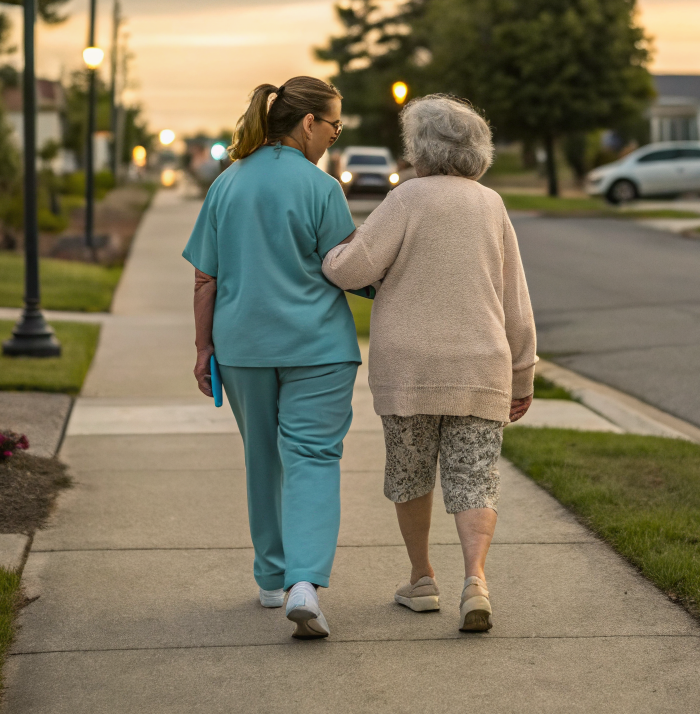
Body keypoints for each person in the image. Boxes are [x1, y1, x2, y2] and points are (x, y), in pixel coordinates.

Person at [321, 94, 536, 633]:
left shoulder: (407, 200)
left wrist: (329, 256)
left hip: (409, 369)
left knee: (411, 472)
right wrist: (523, 374)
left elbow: (352, 269)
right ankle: (475, 582)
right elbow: (516, 300)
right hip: (482, 364)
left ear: (420, 148)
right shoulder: (492, 205)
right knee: (476, 479)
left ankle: (421, 579)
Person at [182, 76, 357, 640]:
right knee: (312, 457)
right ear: (308, 124)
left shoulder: (226, 185)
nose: (334, 135)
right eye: (333, 124)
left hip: (243, 348)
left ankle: (270, 575)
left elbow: (204, 278)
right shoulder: (321, 188)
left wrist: (204, 348)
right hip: (318, 348)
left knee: (263, 455)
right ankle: (304, 582)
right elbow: (348, 266)